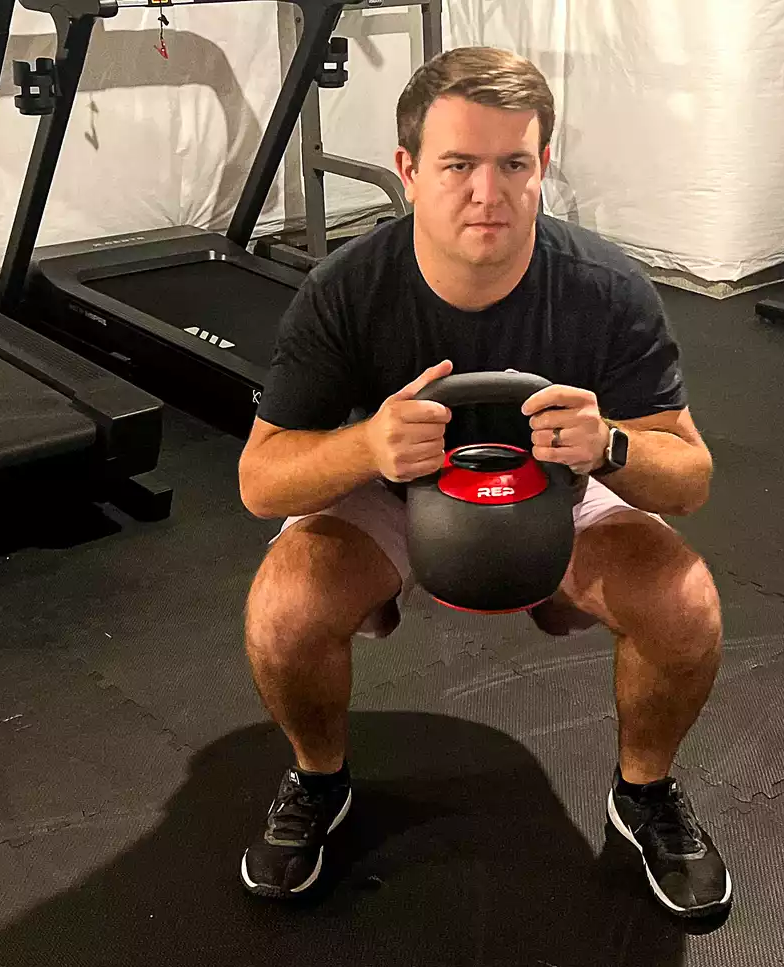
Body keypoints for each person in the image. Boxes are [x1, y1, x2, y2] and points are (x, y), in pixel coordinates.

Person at [236, 46, 731, 918]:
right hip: (391, 490)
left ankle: (644, 796)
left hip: (565, 486)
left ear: (544, 165)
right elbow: (259, 479)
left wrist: (610, 444)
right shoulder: (346, 290)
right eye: (457, 164)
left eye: (513, 164)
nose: (485, 192)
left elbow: (689, 476)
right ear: (408, 170)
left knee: (685, 604)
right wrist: (366, 448)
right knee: (283, 610)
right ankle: (319, 783)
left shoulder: (607, 289)